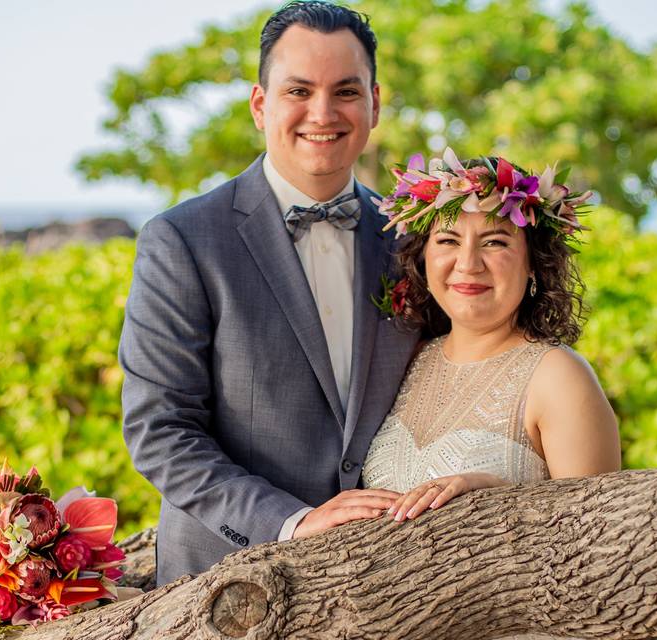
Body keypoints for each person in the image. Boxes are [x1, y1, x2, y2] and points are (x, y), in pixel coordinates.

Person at [119, 1, 418, 587]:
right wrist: (290, 522)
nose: (323, 112)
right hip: (224, 588)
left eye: (347, 92)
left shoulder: (415, 240)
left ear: (375, 104)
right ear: (261, 105)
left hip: (389, 585)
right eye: (298, 90)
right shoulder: (182, 240)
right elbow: (161, 430)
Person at [360, 150, 621, 527]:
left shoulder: (559, 377)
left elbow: (598, 540)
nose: (468, 263)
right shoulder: (407, 359)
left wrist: (501, 496)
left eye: (495, 242)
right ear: (423, 257)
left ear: (533, 261)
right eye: (448, 240)